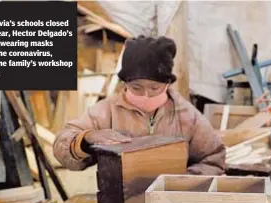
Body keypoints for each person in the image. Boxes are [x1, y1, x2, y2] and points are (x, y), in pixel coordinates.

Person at [54, 35, 225, 175]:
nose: (146, 95)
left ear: (167, 84)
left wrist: (182, 181)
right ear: (125, 83)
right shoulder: (106, 111)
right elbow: (62, 145)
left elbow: (214, 159)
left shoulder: (187, 115)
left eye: (154, 88)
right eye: (137, 87)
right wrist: (86, 139)